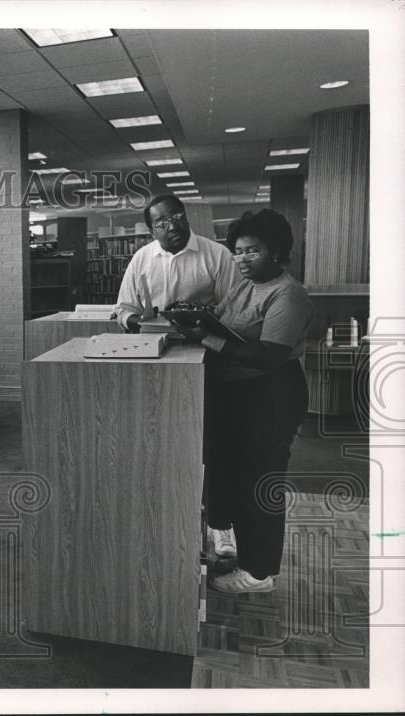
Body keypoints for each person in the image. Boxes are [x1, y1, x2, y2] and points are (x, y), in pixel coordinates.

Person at [171, 209, 313, 593]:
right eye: (237, 251)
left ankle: (260, 573)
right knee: (236, 477)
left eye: (252, 251)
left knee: (260, 482)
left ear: (278, 252)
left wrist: (209, 339)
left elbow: (267, 354)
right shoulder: (245, 286)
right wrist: (193, 319)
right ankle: (242, 551)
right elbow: (222, 317)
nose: (242, 259)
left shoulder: (289, 294)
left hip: (270, 394)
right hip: (238, 393)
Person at [115, 195, 240, 332]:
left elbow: (234, 307)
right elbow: (124, 310)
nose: (173, 227)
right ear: (152, 232)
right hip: (151, 342)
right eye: (162, 224)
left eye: (177, 217)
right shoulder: (140, 259)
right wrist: (147, 324)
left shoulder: (219, 255)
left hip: (203, 344)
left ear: (186, 218)